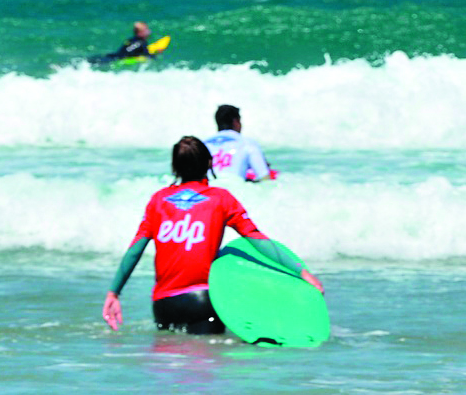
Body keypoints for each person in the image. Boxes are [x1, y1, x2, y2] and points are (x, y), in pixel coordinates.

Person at [101, 136, 322, 333]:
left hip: (164, 304)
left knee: (169, 371)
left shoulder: (158, 200)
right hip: (203, 301)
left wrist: (114, 292)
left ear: (175, 167)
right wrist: (300, 271)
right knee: (205, 368)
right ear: (209, 163)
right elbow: (255, 238)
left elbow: (135, 250)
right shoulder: (221, 198)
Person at [204, 105, 275, 183]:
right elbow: (264, 178)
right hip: (235, 191)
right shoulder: (248, 143)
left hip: (206, 191)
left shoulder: (203, 145)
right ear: (236, 122)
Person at [90, 21, 157, 65]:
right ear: (140, 32)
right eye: (146, 30)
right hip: (120, 59)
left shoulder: (131, 40)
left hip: (115, 55)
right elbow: (147, 56)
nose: (148, 31)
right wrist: (156, 53)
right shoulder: (142, 43)